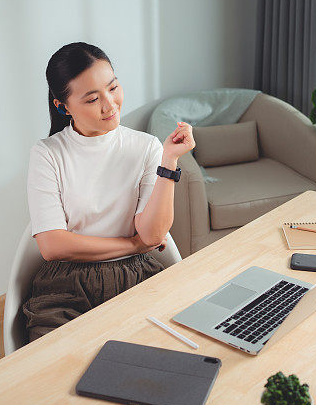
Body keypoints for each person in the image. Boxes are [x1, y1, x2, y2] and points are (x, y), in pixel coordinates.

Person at [22, 42, 195, 343]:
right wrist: (132, 244)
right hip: (65, 287)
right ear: (62, 106)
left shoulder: (146, 147)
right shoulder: (48, 154)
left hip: (137, 276)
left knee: (158, 357)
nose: (110, 105)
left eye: (113, 88)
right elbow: (52, 246)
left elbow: (152, 235)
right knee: (56, 370)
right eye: (92, 99)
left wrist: (169, 162)